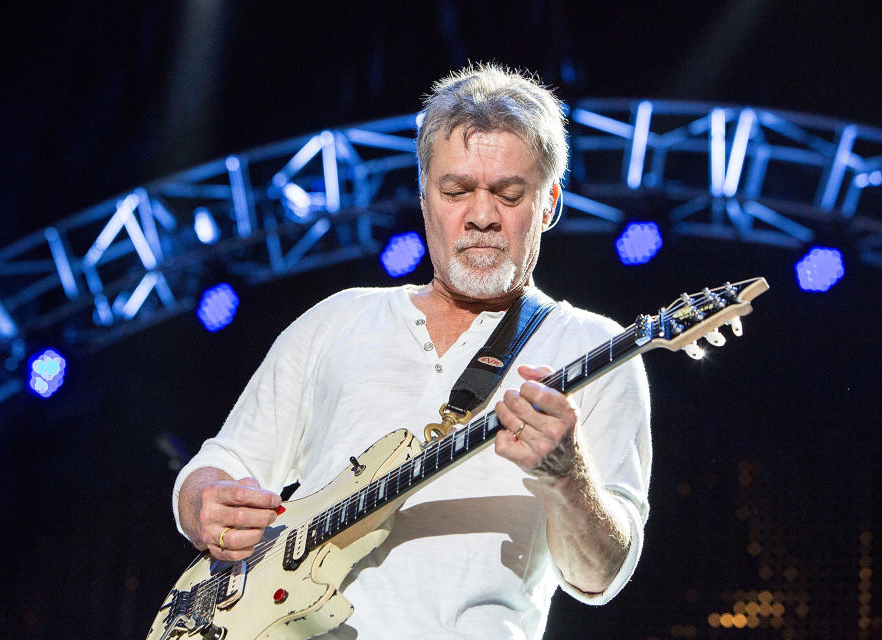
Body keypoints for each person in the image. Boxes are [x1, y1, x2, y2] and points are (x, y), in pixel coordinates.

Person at [172, 63, 651, 639]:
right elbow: (222, 464)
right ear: (423, 194)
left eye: (508, 193)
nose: (480, 215)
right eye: (456, 190)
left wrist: (568, 474)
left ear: (549, 202)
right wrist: (202, 502)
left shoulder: (595, 349)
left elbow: (600, 575)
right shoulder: (338, 319)